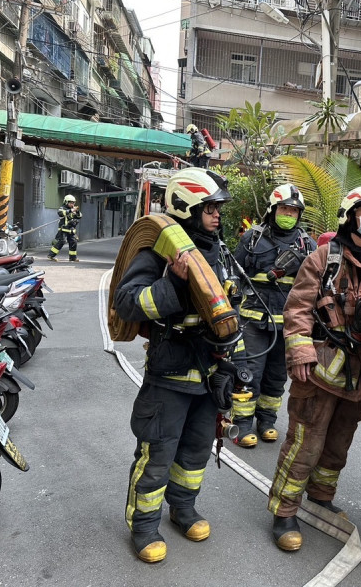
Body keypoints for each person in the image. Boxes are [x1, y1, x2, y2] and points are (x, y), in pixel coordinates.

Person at [113, 167, 242, 563]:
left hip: (207, 376)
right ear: (186, 207)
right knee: (157, 455)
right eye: (210, 208)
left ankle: (183, 509)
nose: (218, 216)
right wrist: (171, 285)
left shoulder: (218, 251)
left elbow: (230, 312)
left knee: (195, 453)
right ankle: (144, 526)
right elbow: (127, 302)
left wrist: (231, 366)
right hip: (169, 377)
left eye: (219, 208)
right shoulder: (158, 254)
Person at [267, 182, 361, 552]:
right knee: (305, 442)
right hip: (320, 370)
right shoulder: (323, 258)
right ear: (350, 218)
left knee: (339, 443)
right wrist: (300, 354)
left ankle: (322, 497)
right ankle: (284, 511)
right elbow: (296, 309)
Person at [232, 184, 316, 447]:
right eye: (284, 209)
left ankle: (267, 421)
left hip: (288, 325)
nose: (288, 214)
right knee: (249, 372)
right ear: (272, 209)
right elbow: (233, 273)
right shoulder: (253, 238)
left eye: (293, 211)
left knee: (277, 376)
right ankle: (243, 424)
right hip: (254, 320)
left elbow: (316, 284)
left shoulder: (307, 244)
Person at [48, 194, 82, 262]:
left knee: (73, 242)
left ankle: (72, 258)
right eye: (70, 203)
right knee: (61, 241)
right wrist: (70, 211)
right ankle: (51, 255)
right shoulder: (62, 208)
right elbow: (60, 213)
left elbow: (79, 216)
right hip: (63, 229)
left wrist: (77, 211)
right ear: (66, 202)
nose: (72, 204)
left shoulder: (73, 209)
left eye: (73, 203)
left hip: (71, 230)